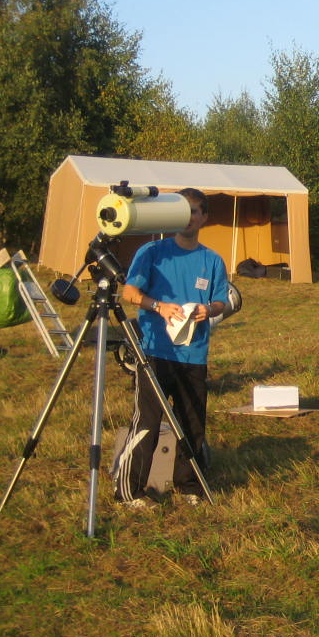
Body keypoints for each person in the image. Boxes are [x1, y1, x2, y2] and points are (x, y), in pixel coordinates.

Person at [113, 188, 229, 509]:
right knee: (147, 423)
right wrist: (159, 306)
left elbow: (222, 299)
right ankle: (130, 492)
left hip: (194, 355)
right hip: (154, 352)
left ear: (204, 217)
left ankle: (189, 485)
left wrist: (212, 309)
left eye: (194, 211)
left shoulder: (212, 260)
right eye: (182, 211)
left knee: (192, 424)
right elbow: (130, 293)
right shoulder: (152, 252)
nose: (188, 218)